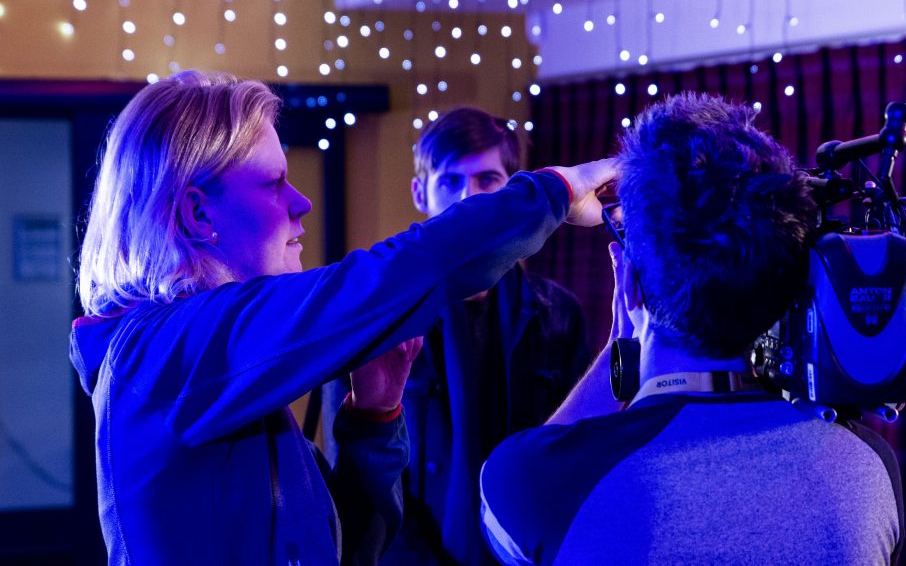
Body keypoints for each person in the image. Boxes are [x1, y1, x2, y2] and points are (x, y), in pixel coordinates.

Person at [70, 70, 615, 565]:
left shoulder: (205, 363)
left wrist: (374, 420)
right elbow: (388, 276)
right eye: (273, 182)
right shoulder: (159, 352)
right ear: (197, 213)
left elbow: (342, 554)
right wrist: (555, 192)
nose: (302, 201)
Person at [479, 92, 905, 565]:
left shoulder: (532, 483)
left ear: (630, 285)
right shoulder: (868, 470)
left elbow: (504, 528)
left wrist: (623, 332)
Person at [373, 108, 592, 566]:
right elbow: (366, 486)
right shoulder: (380, 318)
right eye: (450, 182)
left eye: (487, 180)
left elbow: (576, 454)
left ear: (514, 189)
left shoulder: (559, 315)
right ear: (420, 193)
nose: (469, 200)